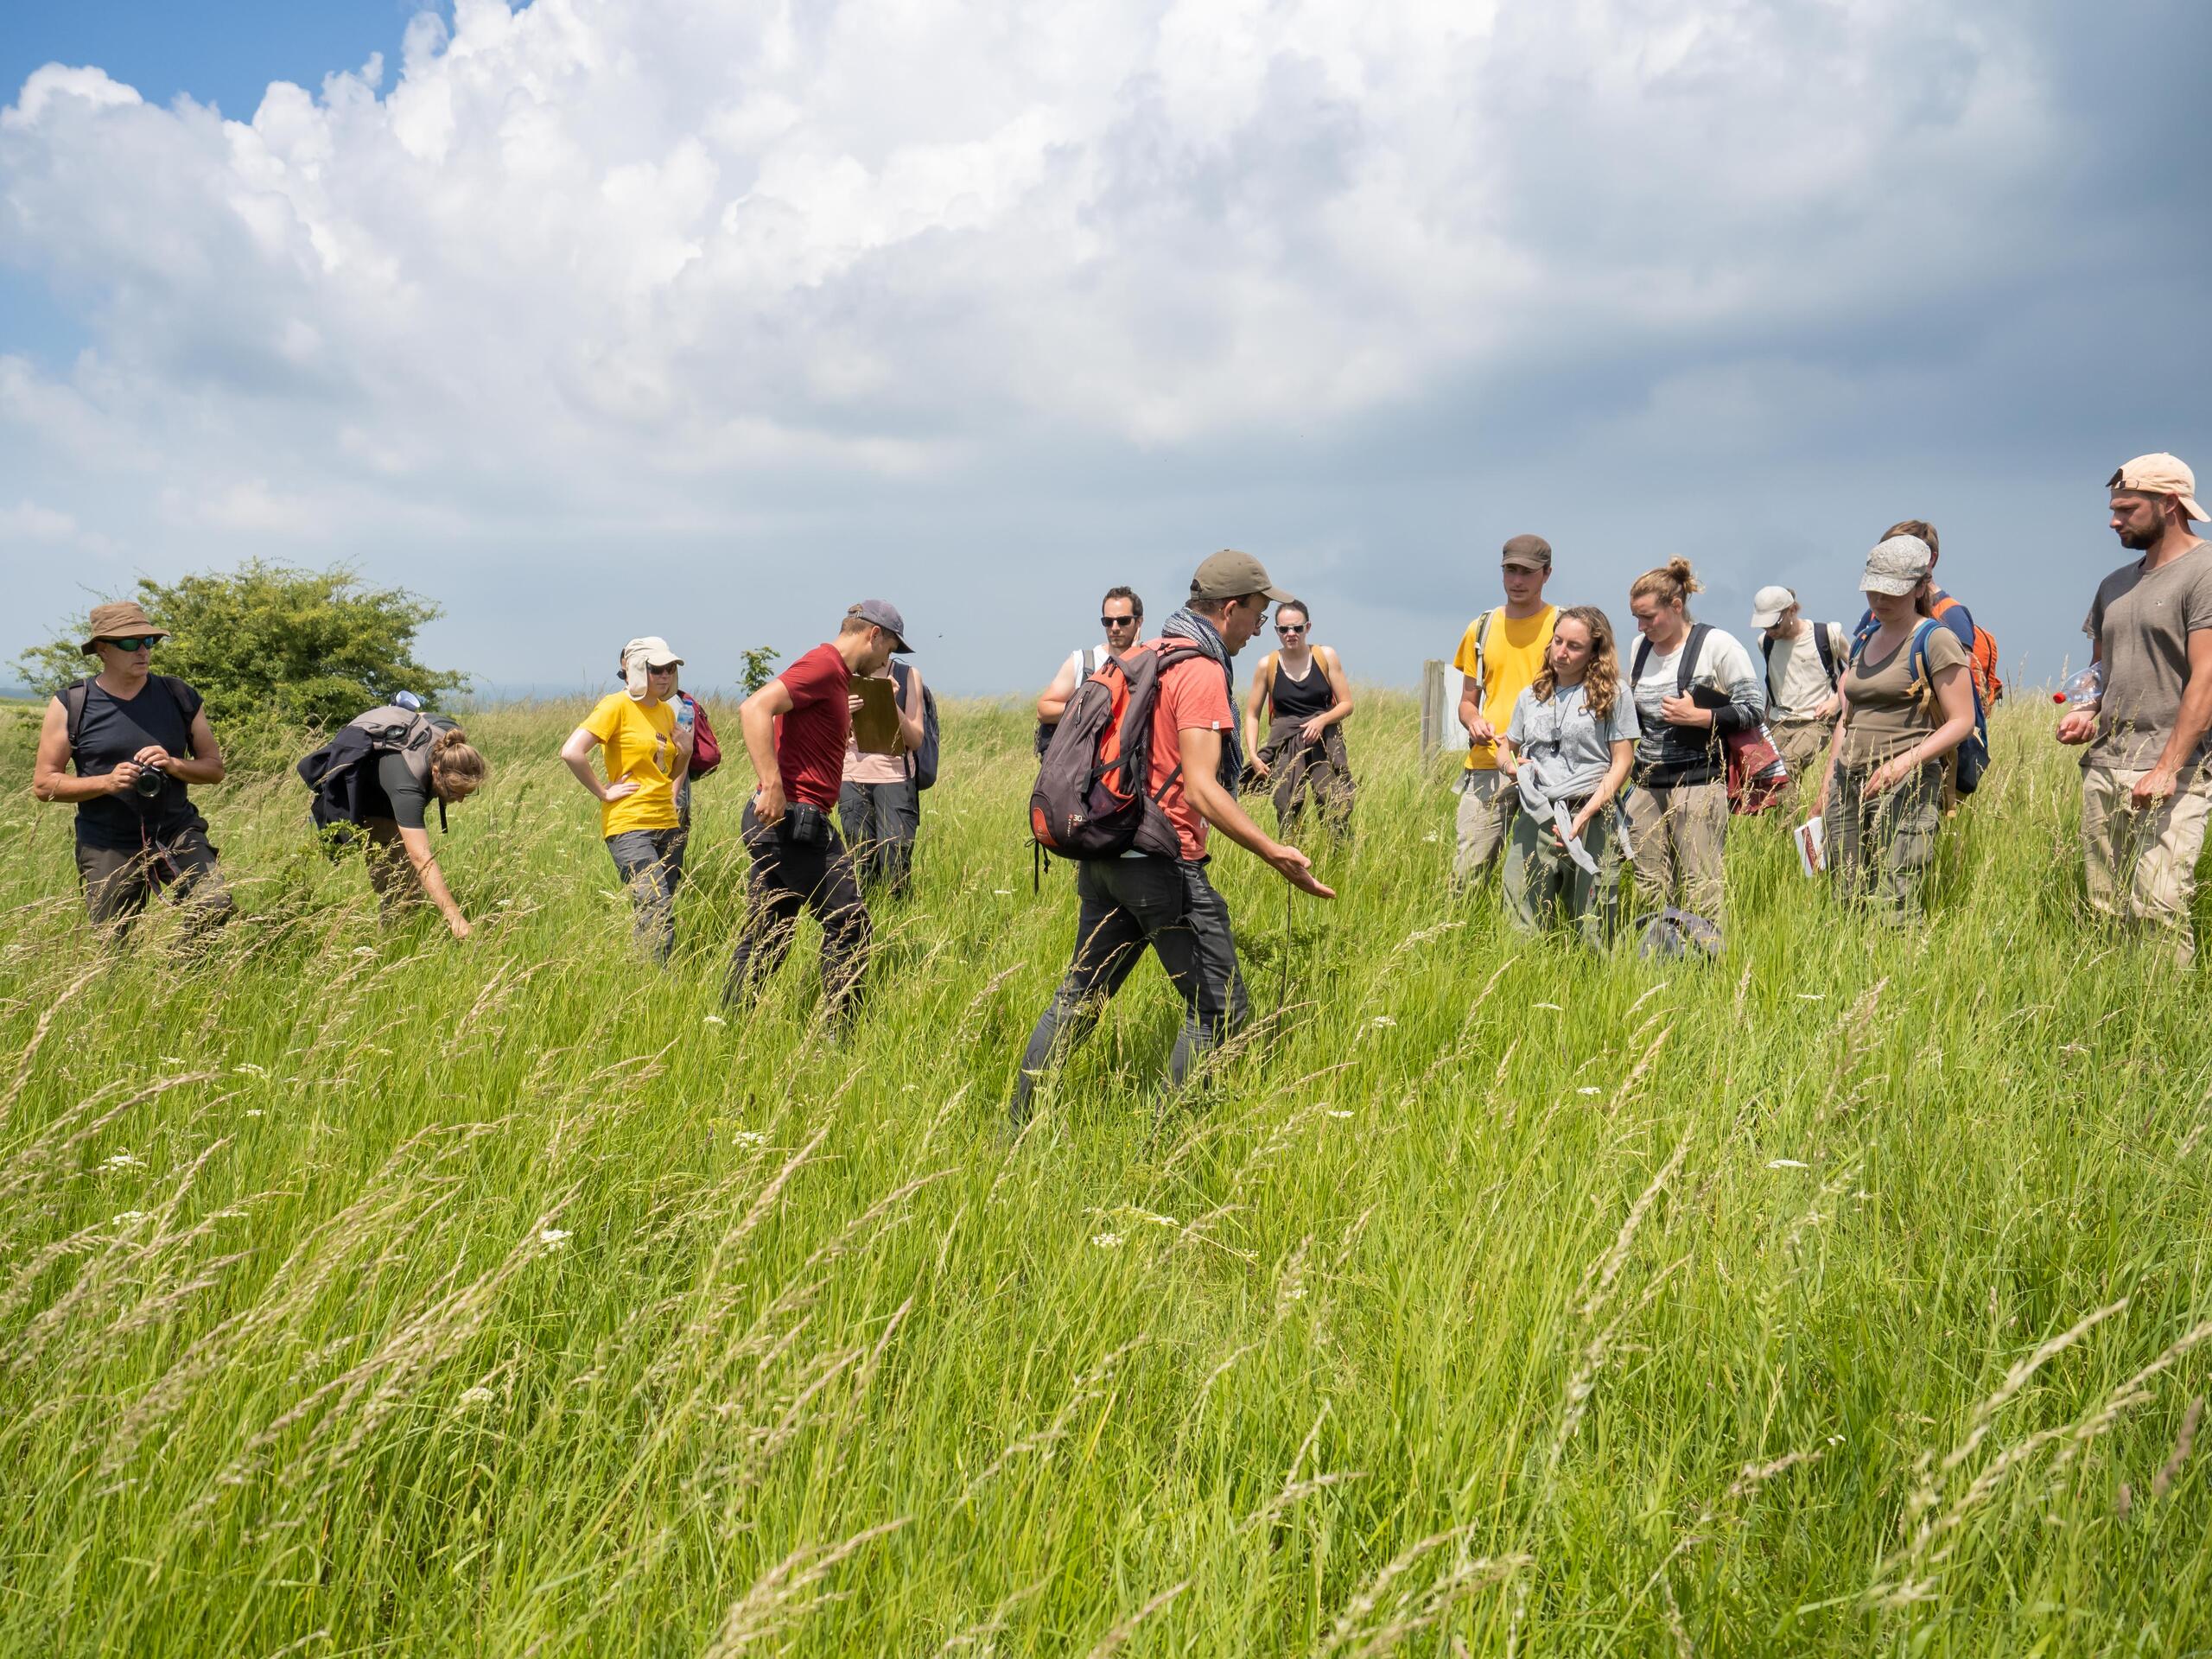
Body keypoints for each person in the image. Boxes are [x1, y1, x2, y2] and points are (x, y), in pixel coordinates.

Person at [1011, 550, 1336, 1122]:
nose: (1261, 626)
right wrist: (1274, 851)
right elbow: (1203, 789)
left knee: (1079, 998)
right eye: (1259, 612)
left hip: (1106, 853)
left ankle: (1014, 1129)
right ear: (1231, 608)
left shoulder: (1140, 655)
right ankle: (1165, 1150)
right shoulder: (1203, 671)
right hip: (1163, 863)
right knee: (1220, 1009)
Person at [2057, 454, 2212, 966]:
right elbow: (2100, 671)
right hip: (2106, 764)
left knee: (2158, 904)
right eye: (2113, 508)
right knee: (2107, 907)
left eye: (2126, 508)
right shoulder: (2113, 585)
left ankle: (2164, 1031)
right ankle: (2119, 1015)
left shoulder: (2204, 572)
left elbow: (2206, 679)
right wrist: (2086, 709)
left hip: (2175, 768)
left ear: (2169, 504)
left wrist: (2167, 768)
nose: (2113, 520)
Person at [724, 601, 904, 1022]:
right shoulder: (825, 664)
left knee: (771, 928)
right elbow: (754, 708)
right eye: (889, 650)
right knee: (851, 925)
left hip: (793, 818)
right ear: (873, 635)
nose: (886, 662)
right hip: (792, 820)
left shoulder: (838, 679)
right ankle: (837, 1040)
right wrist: (771, 783)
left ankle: (730, 1025)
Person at [31, 601, 236, 936]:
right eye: (129, 643)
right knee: (114, 946)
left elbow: (214, 769)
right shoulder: (72, 703)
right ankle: (131, 988)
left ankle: (182, 975)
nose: (142, 650)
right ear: (102, 649)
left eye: (148, 641)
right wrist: (108, 783)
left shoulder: (179, 696)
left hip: (176, 830)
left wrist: (172, 764)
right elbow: (44, 784)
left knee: (214, 905)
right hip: (107, 840)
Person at [1810, 537, 1978, 924]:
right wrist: (1827, 785)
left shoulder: (1934, 639)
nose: (1879, 599)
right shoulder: (1863, 640)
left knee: (1895, 900)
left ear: (1921, 587)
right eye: (1873, 589)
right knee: (1845, 896)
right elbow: (1846, 721)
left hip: (1907, 784)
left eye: (1892, 591)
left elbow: (1961, 721)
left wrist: (1902, 764)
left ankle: (1894, 979)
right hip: (1848, 782)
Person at [1624, 558, 1765, 923]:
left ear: (1676, 606)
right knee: (1648, 883)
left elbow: (1754, 709)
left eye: (1648, 616)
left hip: (1699, 780)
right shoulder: (1640, 647)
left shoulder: (1717, 644)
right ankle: (1656, 954)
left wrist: (1700, 717)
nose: (1641, 626)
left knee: (1700, 883)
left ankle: (1708, 962)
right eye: (1636, 617)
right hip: (1646, 783)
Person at [1497, 607, 1638, 948]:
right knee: (1520, 913)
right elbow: (1506, 745)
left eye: (1574, 646)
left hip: (1592, 813)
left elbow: (1622, 762)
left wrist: (1586, 814)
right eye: (1557, 641)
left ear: (1595, 651)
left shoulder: (1614, 694)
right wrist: (1511, 768)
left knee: (1592, 921)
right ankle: (1519, 982)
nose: (1561, 652)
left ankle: (1593, 989)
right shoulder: (1531, 696)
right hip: (1538, 811)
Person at [560, 638, 692, 963]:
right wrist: (604, 792)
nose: (665, 675)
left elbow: (667, 770)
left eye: (670, 669)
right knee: (655, 905)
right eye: (657, 669)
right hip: (630, 824)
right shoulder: (615, 706)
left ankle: (644, 977)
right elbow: (571, 752)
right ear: (636, 670)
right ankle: (654, 984)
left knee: (658, 907)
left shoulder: (665, 712)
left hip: (667, 823)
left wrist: (685, 753)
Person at [324, 702, 491, 939]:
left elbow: (420, 715)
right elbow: (420, 856)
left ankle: (403, 938)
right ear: (435, 772)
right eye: (455, 792)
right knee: (400, 889)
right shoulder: (407, 786)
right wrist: (456, 918)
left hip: (394, 774)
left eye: (468, 792)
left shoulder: (452, 741)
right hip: (373, 800)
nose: (461, 800)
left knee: (411, 887)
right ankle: (388, 951)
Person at [1450, 535, 1559, 884]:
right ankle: (1458, 936)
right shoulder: (1481, 627)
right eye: (1510, 570)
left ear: (1547, 574)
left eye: (1527, 572)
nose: (1517, 581)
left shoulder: (1565, 627)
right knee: (1469, 871)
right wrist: (1474, 722)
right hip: (1488, 761)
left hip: (1550, 766)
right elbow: (1468, 702)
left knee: (1541, 872)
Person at [1243, 599, 1357, 835]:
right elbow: (1252, 714)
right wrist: (1253, 754)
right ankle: (1291, 856)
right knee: (1286, 804)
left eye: (1297, 628)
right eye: (1283, 629)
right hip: (1284, 742)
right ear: (1276, 631)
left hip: (1324, 738)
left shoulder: (1325, 656)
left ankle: (1337, 858)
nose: (1291, 634)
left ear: (1308, 627)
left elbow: (1347, 704)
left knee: (1333, 803)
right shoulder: (1267, 664)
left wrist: (1322, 720)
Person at [839, 607, 928, 895]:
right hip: (851, 776)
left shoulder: (907, 675)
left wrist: (892, 706)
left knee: (896, 863)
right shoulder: (841, 674)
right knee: (860, 863)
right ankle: (863, 924)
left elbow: (915, 739)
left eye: (892, 650)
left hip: (895, 778)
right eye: (888, 648)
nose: (887, 656)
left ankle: (898, 921)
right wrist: (844, 714)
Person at [1751, 585, 1847, 782]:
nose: (1770, 632)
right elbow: (1776, 682)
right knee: (1760, 768)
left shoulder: (1827, 634)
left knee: (1788, 763)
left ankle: (1791, 814)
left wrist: (1837, 700)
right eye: (1764, 626)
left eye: (1774, 625)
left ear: (1792, 610)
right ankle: (1777, 813)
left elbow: (1859, 667)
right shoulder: (1765, 643)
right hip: (1780, 722)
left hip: (1817, 720)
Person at [1036, 586, 1144, 754]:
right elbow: (1044, 709)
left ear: (1139, 622)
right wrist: (1087, 710)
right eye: (1108, 622)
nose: (1115, 628)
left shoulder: (1149, 663)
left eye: (1123, 621)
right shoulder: (1083, 661)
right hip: (1084, 774)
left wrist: (1134, 657)